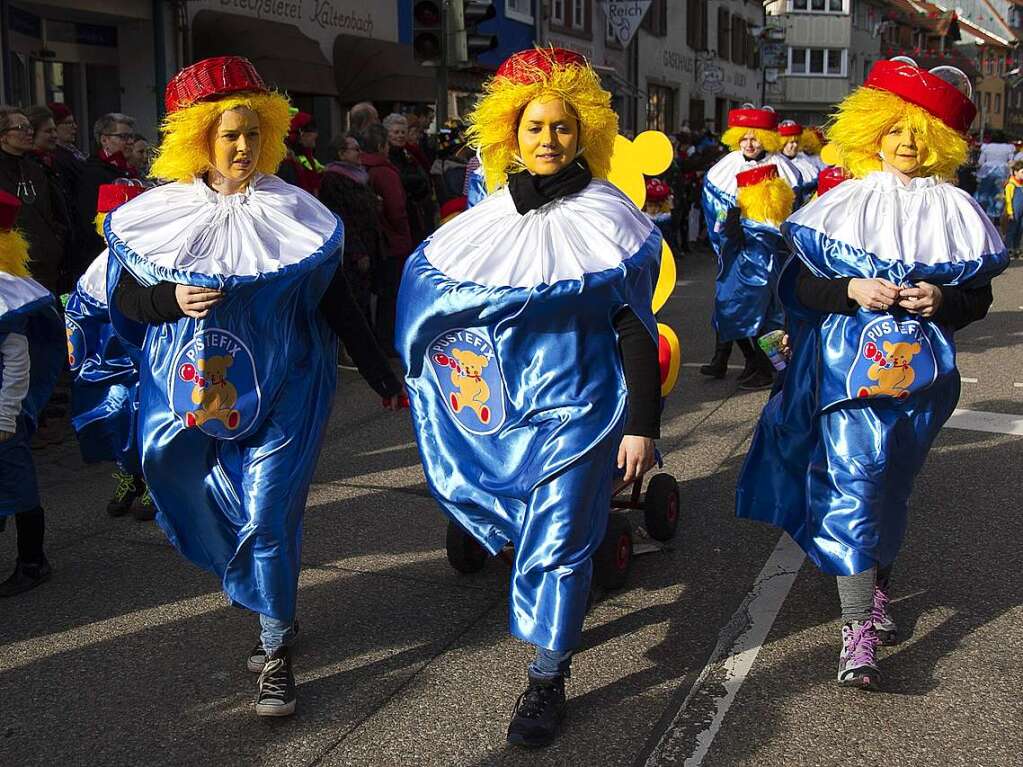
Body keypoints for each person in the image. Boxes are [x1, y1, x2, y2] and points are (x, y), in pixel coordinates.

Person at [107, 56, 404, 717]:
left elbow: (339, 303)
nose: (242, 147)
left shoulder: (296, 211)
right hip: (197, 399)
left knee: (269, 516)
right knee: (210, 499)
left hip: (290, 387)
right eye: (227, 135)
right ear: (200, 139)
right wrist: (168, 298)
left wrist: (382, 374)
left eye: (251, 133)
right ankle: (268, 596)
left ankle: (273, 653)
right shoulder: (154, 215)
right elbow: (122, 298)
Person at [396, 47, 662, 748]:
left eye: (562, 128)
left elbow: (634, 329)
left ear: (586, 135)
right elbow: (434, 311)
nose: (548, 140)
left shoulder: (611, 216)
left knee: (560, 547)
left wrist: (642, 425)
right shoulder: (482, 221)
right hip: (505, 414)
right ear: (511, 135)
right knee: (522, 529)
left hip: (584, 407)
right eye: (535, 127)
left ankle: (545, 677)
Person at [736, 58, 1007, 690]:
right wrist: (852, 286)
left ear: (939, 140)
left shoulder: (957, 207)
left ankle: (877, 582)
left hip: (921, 382)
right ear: (873, 133)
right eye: (895, 129)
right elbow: (799, 285)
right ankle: (856, 628)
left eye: (920, 131)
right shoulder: (843, 202)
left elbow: (978, 300)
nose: (907, 142)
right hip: (842, 376)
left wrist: (942, 302)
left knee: (890, 485)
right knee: (856, 482)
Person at [66, 182, 153, 520]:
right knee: (116, 414)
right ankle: (128, 476)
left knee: (145, 416)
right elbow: (82, 314)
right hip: (111, 362)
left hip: (146, 360)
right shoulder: (99, 266)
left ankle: (153, 482)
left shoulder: (151, 261)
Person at [699, 105, 801, 381]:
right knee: (729, 304)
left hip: (768, 253)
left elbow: (792, 212)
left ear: (767, 138)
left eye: (755, 138)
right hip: (736, 250)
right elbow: (716, 207)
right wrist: (725, 227)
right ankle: (751, 361)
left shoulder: (784, 168)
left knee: (767, 311)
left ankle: (775, 368)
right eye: (744, 138)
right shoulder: (726, 166)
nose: (749, 144)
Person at [0, 190, 63, 596]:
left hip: (3, 417)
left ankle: (32, 560)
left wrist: (5, 416)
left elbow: (17, 362)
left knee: (17, 484)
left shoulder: (8, 293)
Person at [712, 164, 794, 391]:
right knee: (754, 320)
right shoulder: (765, 218)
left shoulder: (757, 222)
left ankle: (768, 370)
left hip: (755, 277)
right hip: (750, 275)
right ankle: (764, 367)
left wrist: (730, 223)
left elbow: (724, 238)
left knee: (763, 323)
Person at [319, 133, 390, 323]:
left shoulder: (360, 176)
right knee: (355, 302)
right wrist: (358, 253)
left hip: (370, 245)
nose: (360, 153)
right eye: (355, 149)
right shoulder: (333, 179)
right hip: (352, 254)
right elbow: (342, 217)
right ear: (341, 154)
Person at [0, 106, 67, 294]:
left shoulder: (35, 169)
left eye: (29, 127)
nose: (29, 132)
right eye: (21, 128)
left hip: (46, 263)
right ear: (3, 135)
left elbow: (50, 212)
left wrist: (56, 241)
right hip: (13, 268)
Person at [361, 122, 412, 352]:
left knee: (379, 294)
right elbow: (397, 208)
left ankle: (379, 339)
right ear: (382, 145)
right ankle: (387, 341)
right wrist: (403, 232)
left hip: (376, 240)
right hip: (393, 241)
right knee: (390, 295)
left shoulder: (362, 168)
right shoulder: (384, 170)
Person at [76, 113, 137, 282]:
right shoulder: (93, 173)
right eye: (123, 137)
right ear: (104, 140)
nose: (130, 142)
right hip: (103, 255)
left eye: (131, 136)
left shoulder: (129, 170)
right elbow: (88, 217)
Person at [383, 112, 436, 248]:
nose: (400, 135)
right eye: (396, 132)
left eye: (403, 132)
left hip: (417, 213)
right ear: (387, 134)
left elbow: (423, 178)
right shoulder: (385, 156)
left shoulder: (409, 155)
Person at [277, 111, 323, 195]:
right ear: (302, 134)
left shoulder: (305, 157)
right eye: (313, 140)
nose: (314, 145)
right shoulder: (285, 161)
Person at [778, 119, 819, 198]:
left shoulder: (804, 160)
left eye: (797, 142)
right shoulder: (778, 162)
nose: (795, 145)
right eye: (791, 142)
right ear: (783, 143)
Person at [1002, 160, 1023, 259]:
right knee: (1011, 230)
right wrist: (1010, 213)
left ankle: (1016, 248)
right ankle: (1008, 249)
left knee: (1020, 230)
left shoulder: (1021, 185)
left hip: (1021, 212)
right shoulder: (1011, 185)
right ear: (1015, 172)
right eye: (1022, 172)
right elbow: (1008, 201)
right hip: (1014, 213)